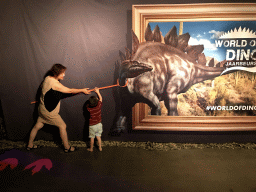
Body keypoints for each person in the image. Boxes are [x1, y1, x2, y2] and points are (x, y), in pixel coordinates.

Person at [27, 63, 91, 153]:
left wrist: (49, 96)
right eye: (62, 73)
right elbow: (69, 90)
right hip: (49, 112)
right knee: (62, 126)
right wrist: (82, 90)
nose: (64, 75)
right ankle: (67, 147)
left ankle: (30, 145)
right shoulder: (55, 84)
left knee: (37, 126)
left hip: (41, 109)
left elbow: (44, 89)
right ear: (56, 73)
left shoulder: (47, 78)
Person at [86, 87, 103, 152]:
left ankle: (91, 148)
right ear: (97, 101)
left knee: (92, 137)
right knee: (98, 137)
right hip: (99, 124)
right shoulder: (99, 106)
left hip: (92, 125)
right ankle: (100, 148)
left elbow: (87, 105)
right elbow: (100, 99)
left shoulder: (89, 109)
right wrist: (98, 92)